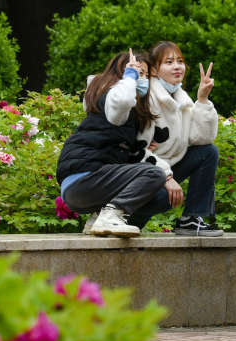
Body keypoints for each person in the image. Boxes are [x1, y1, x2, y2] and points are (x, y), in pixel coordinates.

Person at [56, 50, 169, 237]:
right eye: (139, 73)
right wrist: (130, 76)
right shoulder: (113, 97)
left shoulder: (126, 113)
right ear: (121, 74)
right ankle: (110, 216)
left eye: (145, 75)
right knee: (154, 174)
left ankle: (98, 218)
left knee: (161, 197)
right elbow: (122, 100)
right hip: (84, 178)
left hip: (81, 189)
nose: (143, 80)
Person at [127, 41, 223, 236]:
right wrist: (167, 177)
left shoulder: (181, 98)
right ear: (154, 70)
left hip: (163, 171)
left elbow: (201, 139)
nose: (177, 66)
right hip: (141, 175)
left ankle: (192, 219)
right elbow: (134, 151)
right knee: (164, 198)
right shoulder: (148, 98)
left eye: (180, 61)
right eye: (169, 62)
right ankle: (124, 216)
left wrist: (203, 100)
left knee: (208, 152)